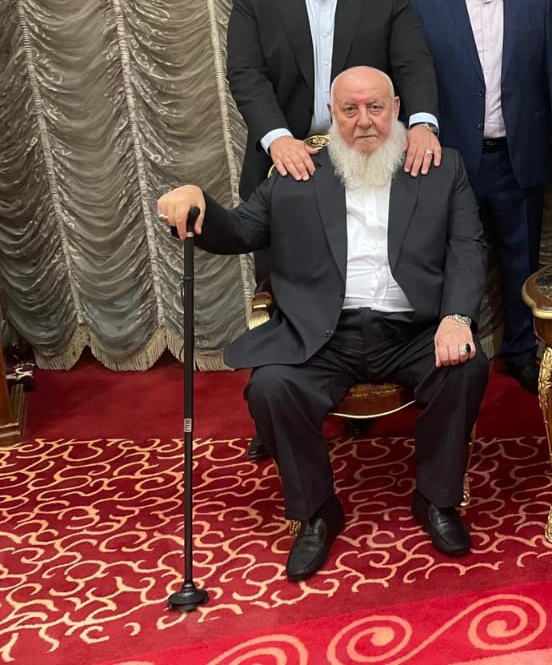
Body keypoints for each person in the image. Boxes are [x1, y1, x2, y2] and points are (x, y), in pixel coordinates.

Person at [156, 67, 488, 581]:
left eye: (375, 107)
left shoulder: (441, 168)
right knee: (271, 387)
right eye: (349, 109)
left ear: (396, 109)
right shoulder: (298, 173)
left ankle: (436, 498)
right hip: (325, 333)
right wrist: (197, 201)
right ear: (332, 114)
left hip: (414, 329)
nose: (364, 121)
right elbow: (239, 231)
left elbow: (468, 247)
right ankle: (316, 511)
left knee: (466, 367)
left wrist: (456, 317)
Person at [409, 0, 552, 395]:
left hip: (519, 159)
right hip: (451, 162)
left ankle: (521, 352)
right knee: (452, 263)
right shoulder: (423, 4)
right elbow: (414, 79)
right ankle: (457, 354)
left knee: (522, 265)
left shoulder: (534, 1)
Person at [226, 0, 442, 204]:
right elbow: (245, 73)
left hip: (369, 162)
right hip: (284, 161)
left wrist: (423, 124)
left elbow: (413, 64)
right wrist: (277, 139)